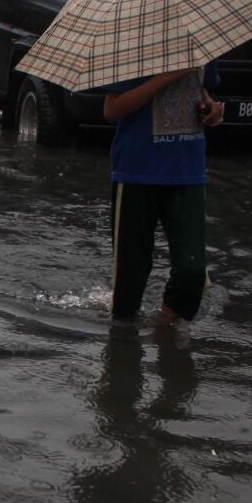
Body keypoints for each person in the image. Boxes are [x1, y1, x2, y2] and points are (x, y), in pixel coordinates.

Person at [97, 65, 224, 325]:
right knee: (130, 278)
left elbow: (203, 89)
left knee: (192, 270)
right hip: (136, 172)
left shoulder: (200, 49)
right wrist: (165, 78)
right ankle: (124, 343)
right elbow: (111, 110)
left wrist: (213, 108)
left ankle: (163, 325)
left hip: (188, 171)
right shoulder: (133, 49)